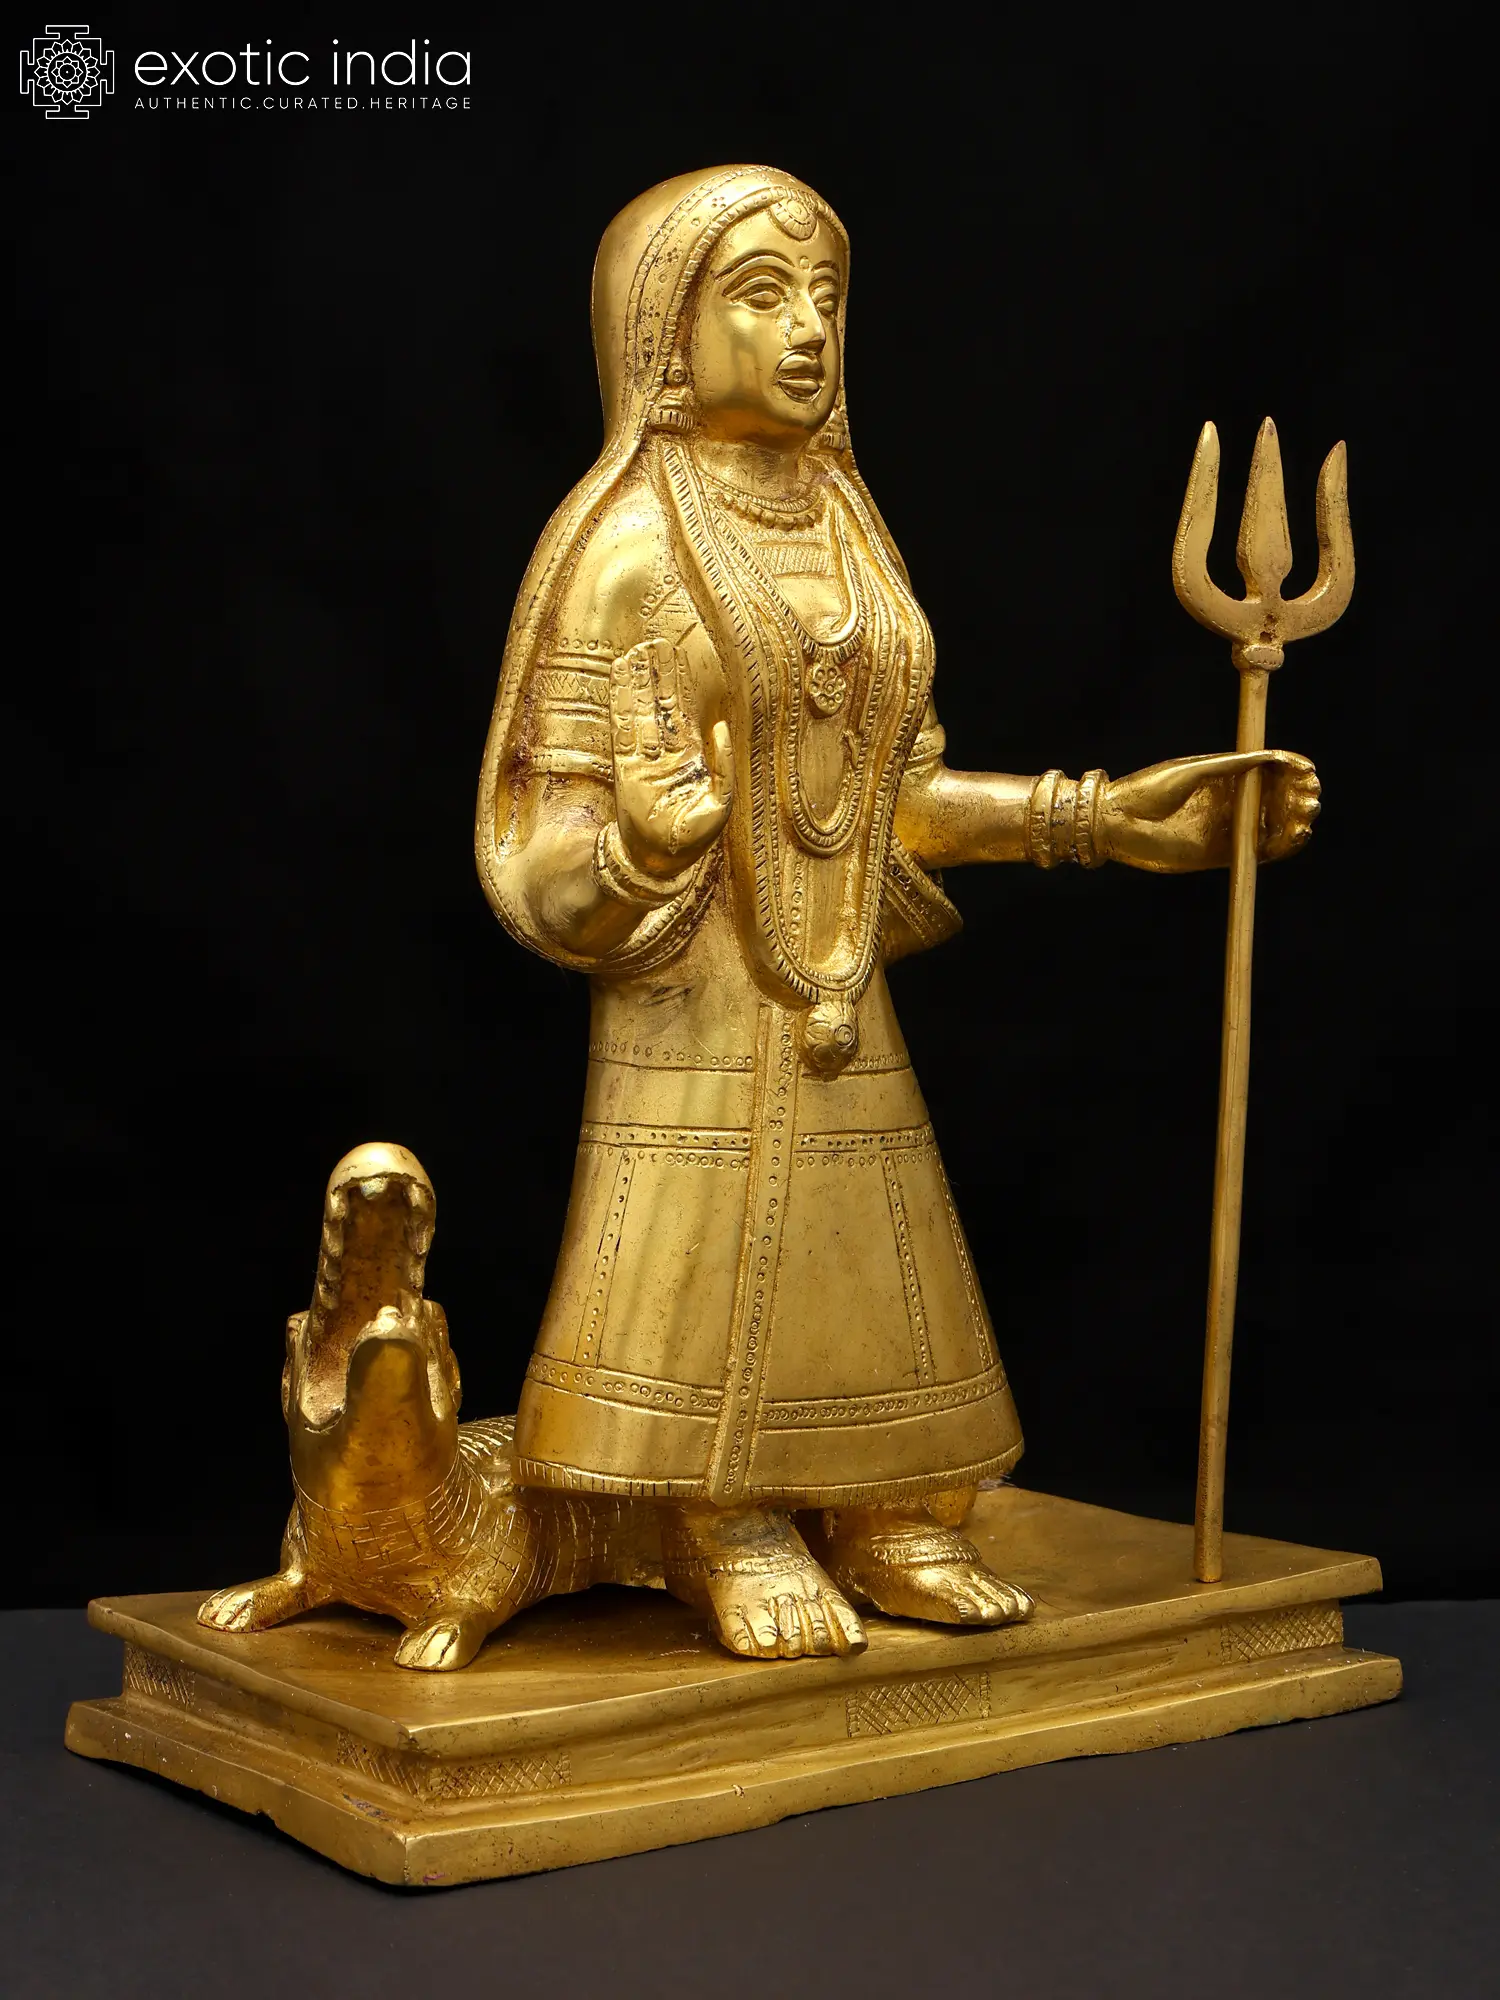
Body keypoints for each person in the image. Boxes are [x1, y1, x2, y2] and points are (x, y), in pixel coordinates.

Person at [475, 166, 1321, 1660]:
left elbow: (891, 796)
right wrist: (640, 850)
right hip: (695, 998)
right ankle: (720, 1522)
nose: (809, 328)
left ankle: (876, 1513)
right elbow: (540, 848)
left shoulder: (849, 526)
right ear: (663, 326)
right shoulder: (621, 548)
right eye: (761, 294)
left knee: (869, 1255)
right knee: (700, 1259)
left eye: (826, 296)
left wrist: (1103, 818)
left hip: (839, 983)